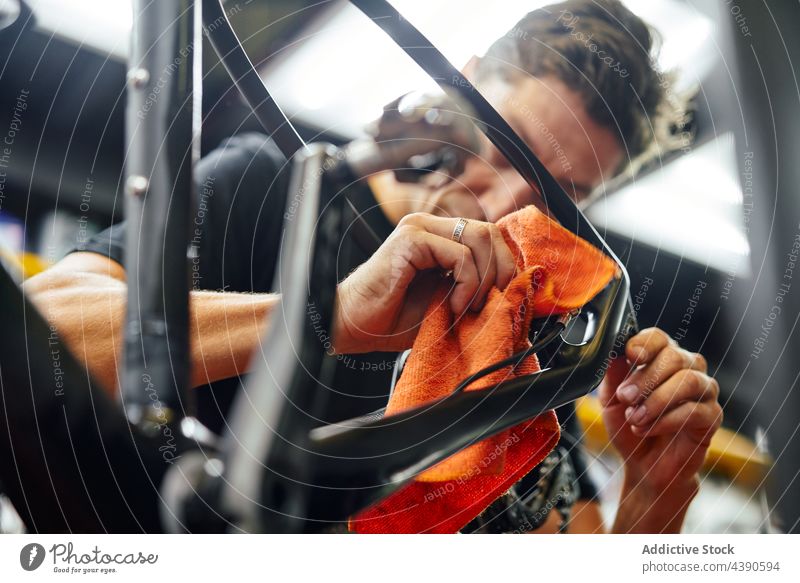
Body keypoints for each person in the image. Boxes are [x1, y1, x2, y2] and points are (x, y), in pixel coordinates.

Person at [24, 0, 721, 533]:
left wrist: (656, 486)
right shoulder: (271, 192)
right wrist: (327, 316)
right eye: (509, 151)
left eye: (562, 197)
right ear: (469, 83)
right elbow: (35, 333)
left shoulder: (524, 340)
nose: (507, 204)